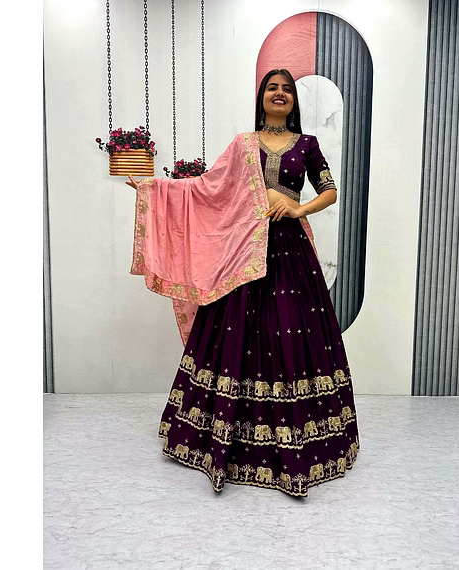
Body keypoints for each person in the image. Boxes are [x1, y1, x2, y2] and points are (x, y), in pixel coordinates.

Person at [126, 69, 360, 497]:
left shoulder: (307, 145)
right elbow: (207, 188)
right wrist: (154, 190)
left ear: (294, 101)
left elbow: (330, 191)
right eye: (273, 87)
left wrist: (298, 209)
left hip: (289, 251)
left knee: (289, 335)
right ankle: (221, 437)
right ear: (262, 97)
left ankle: (297, 434)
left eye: (287, 89)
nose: (280, 93)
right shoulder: (243, 144)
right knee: (235, 336)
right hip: (241, 251)